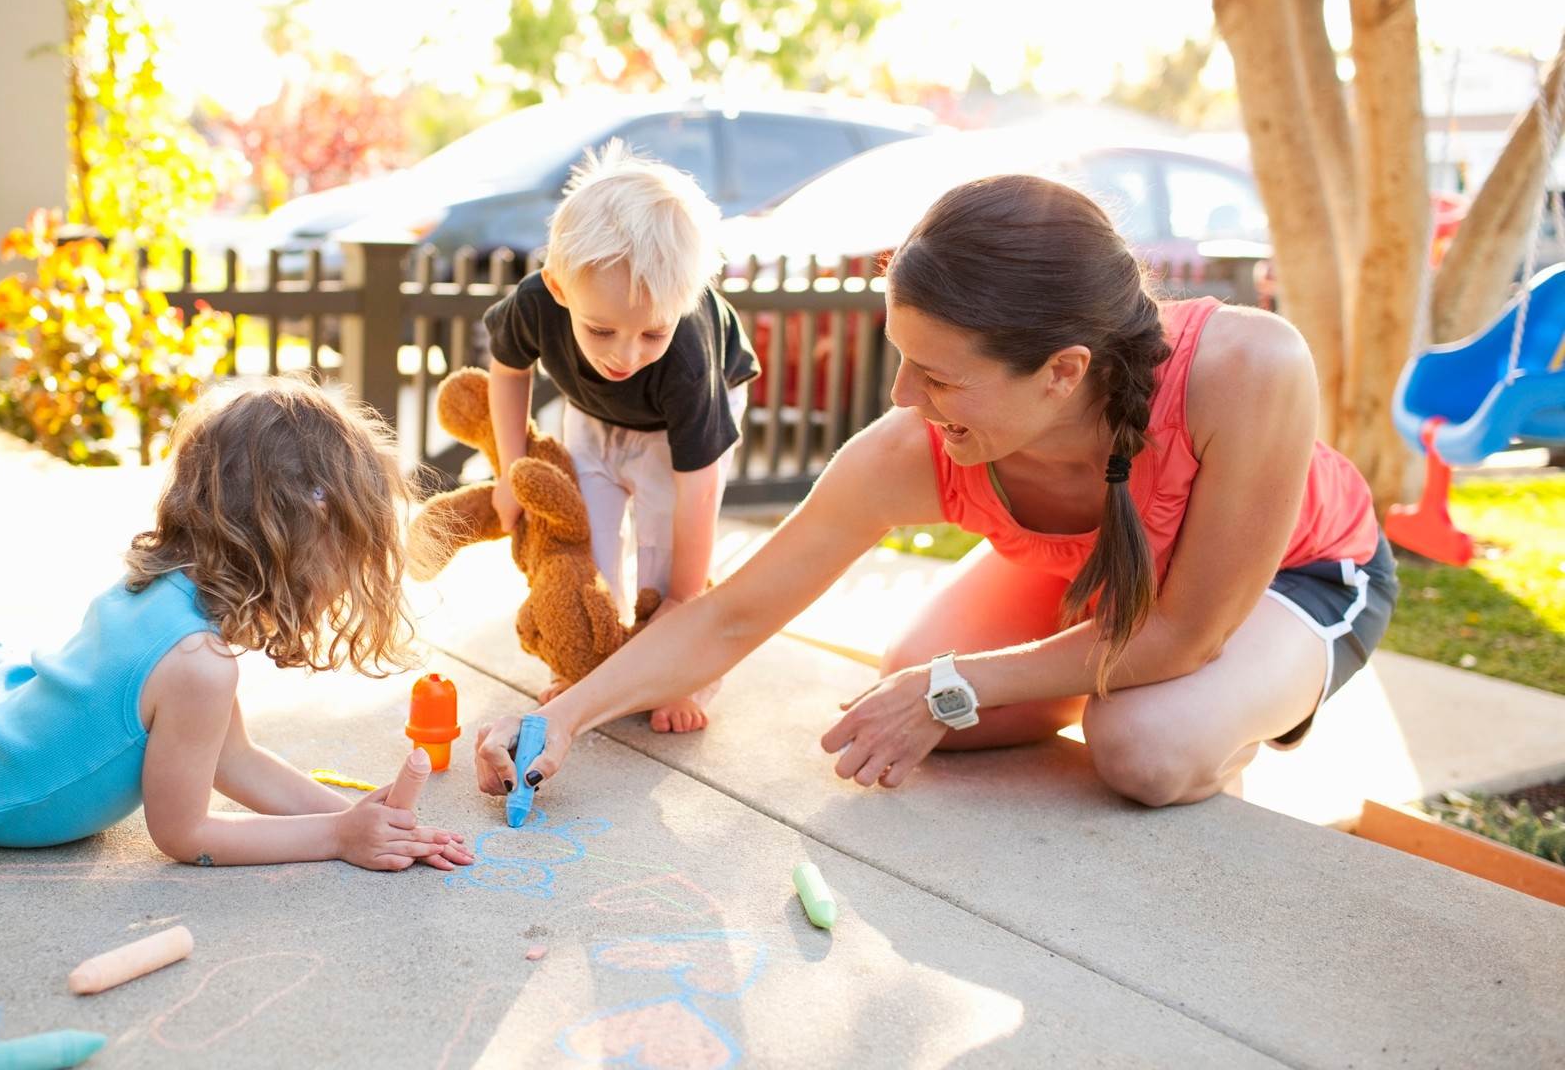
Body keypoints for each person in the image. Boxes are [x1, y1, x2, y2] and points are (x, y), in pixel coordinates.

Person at [476, 173, 1397, 807]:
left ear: (1062, 372)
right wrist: (559, 719)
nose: (902, 399)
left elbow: (1186, 631)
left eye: (939, 376)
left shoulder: (1251, 368)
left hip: (1293, 577)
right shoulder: (910, 450)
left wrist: (955, 683)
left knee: (1142, 747)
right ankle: (1110, 671)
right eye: (902, 360)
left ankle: (1211, 728)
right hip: (1101, 578)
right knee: (907, 700)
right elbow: (727, 617)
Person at [0, 387, 474, 871]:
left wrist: (356, 816)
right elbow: (183, 834)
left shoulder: (173, 594)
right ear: (297, 545)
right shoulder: (200, 662)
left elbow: (234, 761)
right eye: (347, 557)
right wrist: (336, 837)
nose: (347, 579)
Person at [481, 139, 758, 732]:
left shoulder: (685, 355)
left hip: (678, 432)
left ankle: (686, 671)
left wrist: (682, 606)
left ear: (679, 310)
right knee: (591, 550)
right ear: (559, 290)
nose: (626, 354)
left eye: (649, 334)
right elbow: (506, 370)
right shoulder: (537, 303)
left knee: (664, 558)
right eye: (601, 330)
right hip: (593, 413)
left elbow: (698, 492)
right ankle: (595, 665)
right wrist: (509, 472)